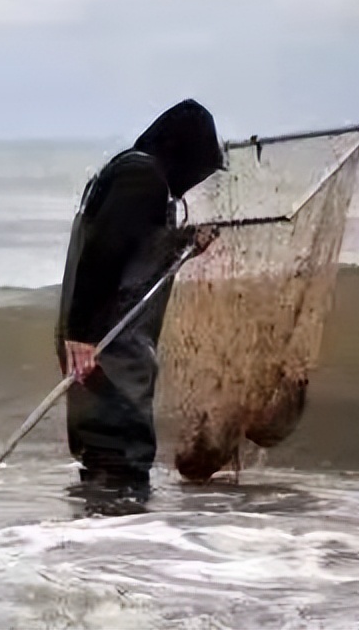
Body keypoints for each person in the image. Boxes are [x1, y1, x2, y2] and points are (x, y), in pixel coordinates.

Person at [56, 99, 224, 507]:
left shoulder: (129, 172)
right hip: (108, 341)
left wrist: (183, 244)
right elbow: (104, 253)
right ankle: (111, 544)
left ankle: (96, 547)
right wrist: (82, 333)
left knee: (106, 453)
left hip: (103, 338)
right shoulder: (141, 176)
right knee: (120, 453)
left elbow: (132, 250)